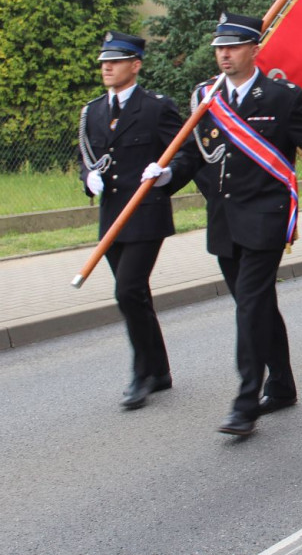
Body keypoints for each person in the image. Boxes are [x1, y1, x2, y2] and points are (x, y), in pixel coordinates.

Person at [158, 12, 302, 437]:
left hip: (266, 216)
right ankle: (281, 384)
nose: (224, 54)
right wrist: (167, 175)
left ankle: (245, 402)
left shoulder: (280, 96)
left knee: (250, 305)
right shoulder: (205, 96)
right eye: (219, 48)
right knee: (254, 304)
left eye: (234, 46)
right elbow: (193, 153)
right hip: (224, 218)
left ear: (254, 49)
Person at [79, 31, 183, 410]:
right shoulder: (92, 111)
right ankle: (160, 370)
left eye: (116, 60)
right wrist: (87, 179)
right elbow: (86, 155)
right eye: (104, 60)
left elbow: (182, 152)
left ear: (135, 65)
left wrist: (166, 172)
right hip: (112, 217)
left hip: (145, 214)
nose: (107, 66)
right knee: (136, 294)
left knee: (127, 290)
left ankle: (141, 374)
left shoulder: (156, 107)